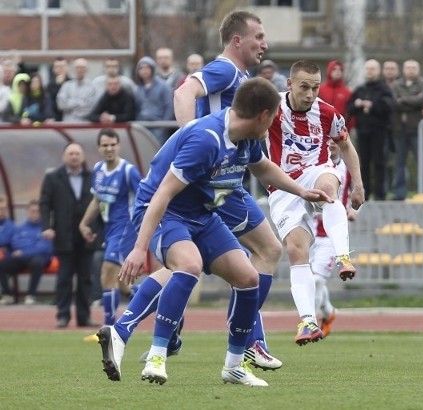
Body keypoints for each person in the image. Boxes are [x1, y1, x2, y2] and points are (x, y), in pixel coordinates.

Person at [104, 77, 329, 387]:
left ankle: (234, 366)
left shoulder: (247, 136)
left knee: (248, 277)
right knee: (189, 265)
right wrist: (139, 248)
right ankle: (157, 355)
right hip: (164, 212)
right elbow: (162, 195)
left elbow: (263, 168)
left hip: (202, 214)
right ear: (263, 115)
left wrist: (302, 192)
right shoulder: (207, 139)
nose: (277, 121)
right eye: (275, 115)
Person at [172, 10, 284, 369]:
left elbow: (257, 158)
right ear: (238, 40)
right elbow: (184, 90)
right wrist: (191, 135)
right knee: (264, 250)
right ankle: (247, 338)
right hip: (220, 183)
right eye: (258, 37)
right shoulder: (226, 69)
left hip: (230, 180)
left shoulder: (242, 76)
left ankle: (176, 334)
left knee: (226, 261)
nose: (264, 44)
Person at [265, 60, 365, 344]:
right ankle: (308, 321)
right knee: (297, 252)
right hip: (283, 186)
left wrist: (358, 184)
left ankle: (344, 256)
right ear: (290, 84)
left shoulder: (327, 113)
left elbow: (346, 145)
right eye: (304, 87)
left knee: (327, 188)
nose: (310, 94)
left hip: (315, 171)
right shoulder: (271, 110)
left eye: (315, 87)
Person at [78, 129, 144, 325]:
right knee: (123, 285)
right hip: (110, 229)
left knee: (107, 272)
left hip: (126, 228)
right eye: (105, 145)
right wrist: (83, 223)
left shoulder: (128, 171)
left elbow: (145, 197)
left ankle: (109, 327)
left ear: (119, 145)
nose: (109, 148)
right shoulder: (98, 169)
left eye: (113, 144)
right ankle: (156, 299)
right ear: (99, 148)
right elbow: (97, 199)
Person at [40, 142, 99, 328]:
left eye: (77, 153)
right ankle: (63, 316)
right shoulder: (52, 178)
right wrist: (46, 226)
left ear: (82, 157)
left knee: (85, 278)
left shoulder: (93, 177)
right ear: (64, 156)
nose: (74, 156)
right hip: (64, 235)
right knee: (64, 277)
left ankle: (84, 316)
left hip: (87, 234)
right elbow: (44, 203)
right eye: (71, 153)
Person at [310, 140, 356, 337]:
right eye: (326, 139)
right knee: (311, 277)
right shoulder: (313, 165)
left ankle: (309, 322)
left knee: (317, 280)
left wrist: (352, 210)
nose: (330, 144)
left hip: (331, 236)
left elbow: (357, 191)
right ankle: (329, 312)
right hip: (310, 231)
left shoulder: (348, 168)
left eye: (334, 140)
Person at [347, 59, 394, 200]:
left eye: (372, 69)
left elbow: (389, 107)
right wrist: (357, 105)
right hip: (363, 131)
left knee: (379, 163)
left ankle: (380, 194)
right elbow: (349, 108)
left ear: (378, 71)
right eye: (367, 68)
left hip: (379, 131)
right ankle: (365, 193)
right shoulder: (360, 89)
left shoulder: (384, 89)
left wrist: (373, 106)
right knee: (364, 163)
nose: (370, 71)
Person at [390, 59, 423, 199]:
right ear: (403, 69)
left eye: (414, 67)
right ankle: (399, 193)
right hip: (399, 129)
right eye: (408, 67)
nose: (411, 70)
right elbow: (395, 103)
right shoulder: (396, 84)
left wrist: (404, 100)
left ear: (418, 69)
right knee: (399, 162)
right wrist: (414, 100)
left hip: (417, 129)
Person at [0, 200, 53, 305]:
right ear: (27, 212)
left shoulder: (45, 229)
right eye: (32, 211)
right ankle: (7, 295)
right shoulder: (19, 228)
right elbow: (14, 243)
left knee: (37, 262)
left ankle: (31, 295)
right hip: (21, 259)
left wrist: (24, 251)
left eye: (37, 211)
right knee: (2, 264)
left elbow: (44, 248)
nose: (35, 213)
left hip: (39, 258)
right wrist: (32, 246)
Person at [134, 56, 174, 145]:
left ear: (152, 69)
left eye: (147, 67)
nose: (144, 70)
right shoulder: (138, 89)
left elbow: (169, 106)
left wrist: (164, 125)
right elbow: (136, 107)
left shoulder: (164, 86)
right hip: (142, 127)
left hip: (158, 126)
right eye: (141, 68)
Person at [56, 58, 99, 123]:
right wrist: (81, 102)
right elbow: (61, 104)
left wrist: (70, 103)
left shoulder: (92, 87)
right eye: (77, 67)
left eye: (82, 68)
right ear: (73, 69)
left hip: (85, 125)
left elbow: (90, 109)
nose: (80, 70)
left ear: (87, 70)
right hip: (67, 125)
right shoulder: (66, 85)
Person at [318, 60, 352, 128]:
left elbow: (350, 113)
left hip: (341, 129)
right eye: (334, 69)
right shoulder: (320, 90)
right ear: (329, 71)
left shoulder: (347, 92)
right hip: (322, 127)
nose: (337, 71)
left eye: (340, 69)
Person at [0, 195, 16, 304]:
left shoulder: (11, 226)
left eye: (2, 209)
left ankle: (7, 294)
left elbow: (11, 241)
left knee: (2, 264)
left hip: (7, 255)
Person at [46, 57, 70, 122]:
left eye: (62, 67)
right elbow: (50, 103)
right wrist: (57, 85)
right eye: (57, 67)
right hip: (55, 120)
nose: (59, 69)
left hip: (70, 119)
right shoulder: (50, 85)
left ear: (67, 68)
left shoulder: (72, 83)